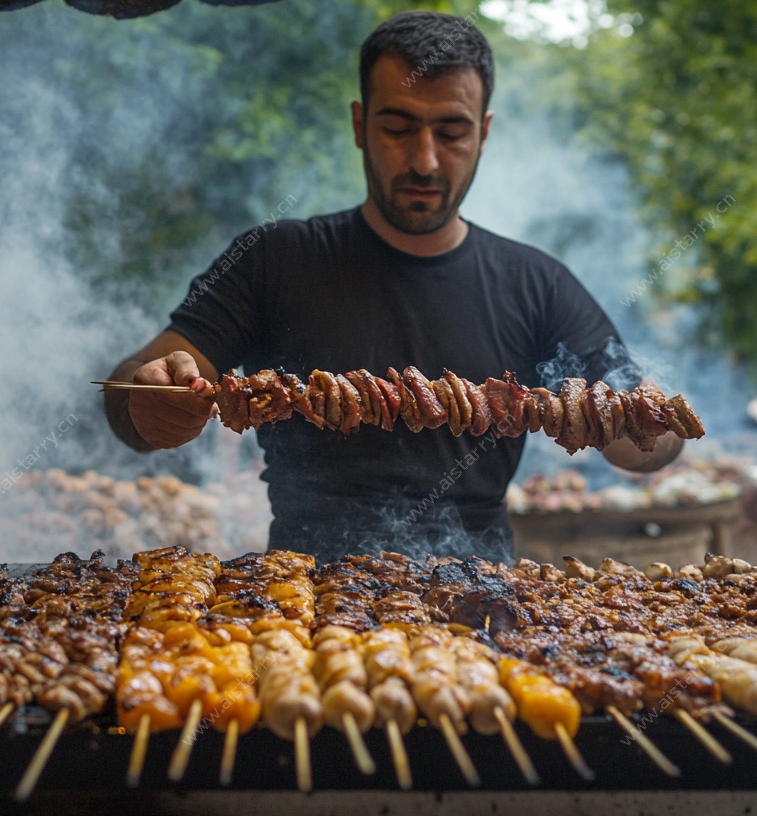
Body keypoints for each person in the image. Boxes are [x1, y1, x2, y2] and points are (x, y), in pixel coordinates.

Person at [103, 11, 683, 563]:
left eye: (451, 132)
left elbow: (642, 451)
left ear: (483, 134)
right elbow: (129, 397)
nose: (425, 161)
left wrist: (654, 428)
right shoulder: (275, 259)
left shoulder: (537, 283)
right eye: (399, 127)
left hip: (481, 596)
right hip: (305, 597)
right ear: (360, 125)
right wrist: (147, 401)